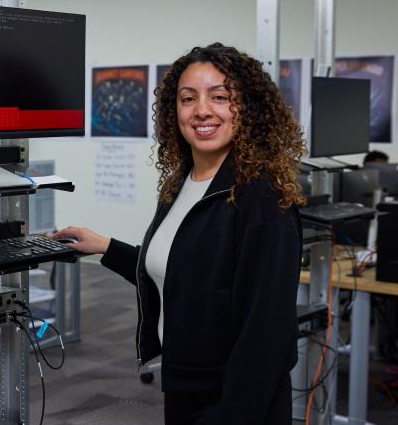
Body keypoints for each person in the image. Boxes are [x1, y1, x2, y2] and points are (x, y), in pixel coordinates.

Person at [55, 43, 305, 424]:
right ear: (175, 111)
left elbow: (265, 337)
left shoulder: (261, 199)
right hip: (186, 381)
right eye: (188, 98)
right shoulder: (182, 184)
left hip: (235, 400)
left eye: (220, 97)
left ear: (248, 108)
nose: (202, 110)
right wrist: (105, 247)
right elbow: (184, 270)